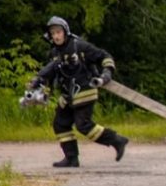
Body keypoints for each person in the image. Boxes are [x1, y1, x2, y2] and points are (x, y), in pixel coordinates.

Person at [27, 16, 128, 167]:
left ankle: (117, 140)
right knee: (60, 124)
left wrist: (106, 74)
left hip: (85, 92)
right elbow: (52, 72)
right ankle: (71, 158)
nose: (56, 36)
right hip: (68, 96)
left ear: (65, 32)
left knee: (83, 125)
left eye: (58, 32)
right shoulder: (55, 52)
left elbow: (104, 56)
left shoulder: (79, 46)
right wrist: (39, 83)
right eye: (53, 33)